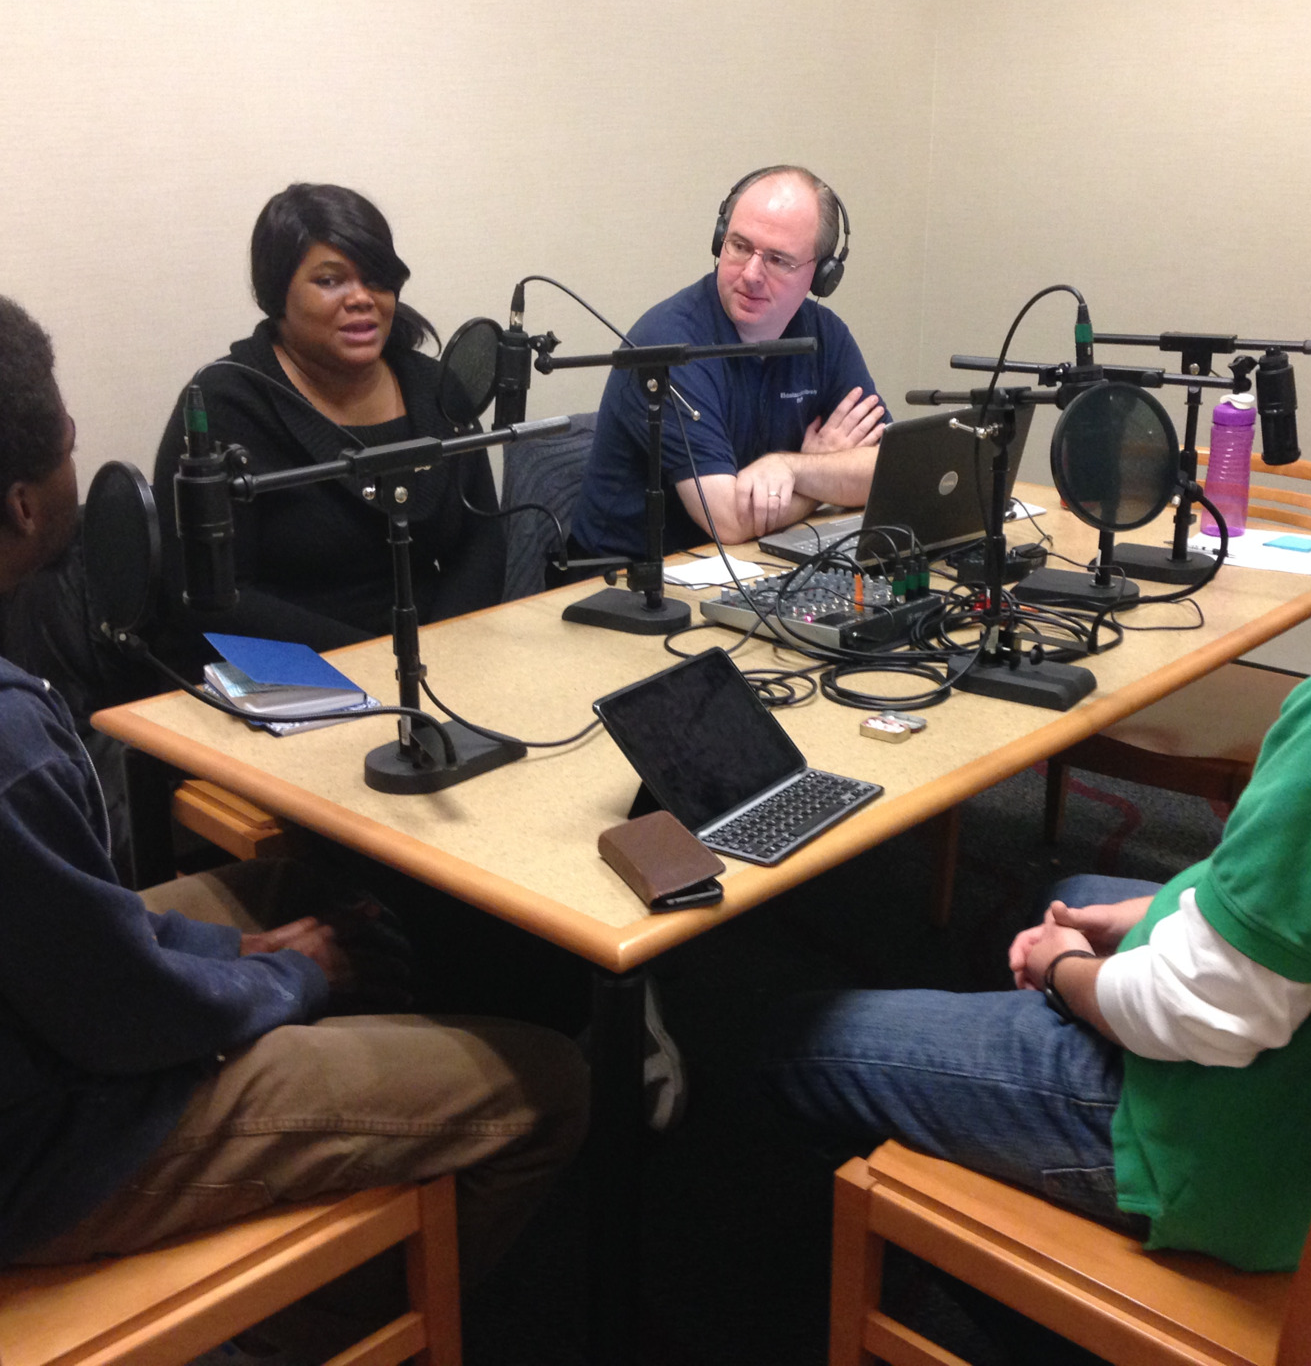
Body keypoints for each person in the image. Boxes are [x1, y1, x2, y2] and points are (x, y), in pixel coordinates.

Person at [762, 357, 1311, 1274]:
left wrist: (1065, 974)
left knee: (797, 1039)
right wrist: (1154, 915)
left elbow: (1207, 1015)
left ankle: (989, 1295)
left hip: (1234, 1157)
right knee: (1068, 894)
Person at [0, 294, 587, 1281]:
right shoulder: (12, 744)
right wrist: (289, 979)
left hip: (54, 1032)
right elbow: (119, 1017)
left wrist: (240, 951)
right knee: (551, 1084)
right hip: (56, 1146)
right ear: (24, 503)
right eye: (66, 441)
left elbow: (72, 940)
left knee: (300, 893)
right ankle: (312, 1325)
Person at [152, 183, 505, 670]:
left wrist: (440, 652)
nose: (361, 298)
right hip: (293, 677)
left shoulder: (434, 387)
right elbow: (214, 599)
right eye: (330, 280)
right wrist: (379, 664)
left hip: (440, 665)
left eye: (376, 279)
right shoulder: (223, 404)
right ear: (278, 294)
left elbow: (482, 541)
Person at [570, 165, 888, 562]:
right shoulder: (668, 342)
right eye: (739, 246)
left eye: (778, 260)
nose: (751, 274)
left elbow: (888, 474)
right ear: (720, 240)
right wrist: (821, 470)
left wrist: (793, 470)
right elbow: (730, 521)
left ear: (822, 275)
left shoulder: (826, 336)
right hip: (631, 580)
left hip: (751, 564)